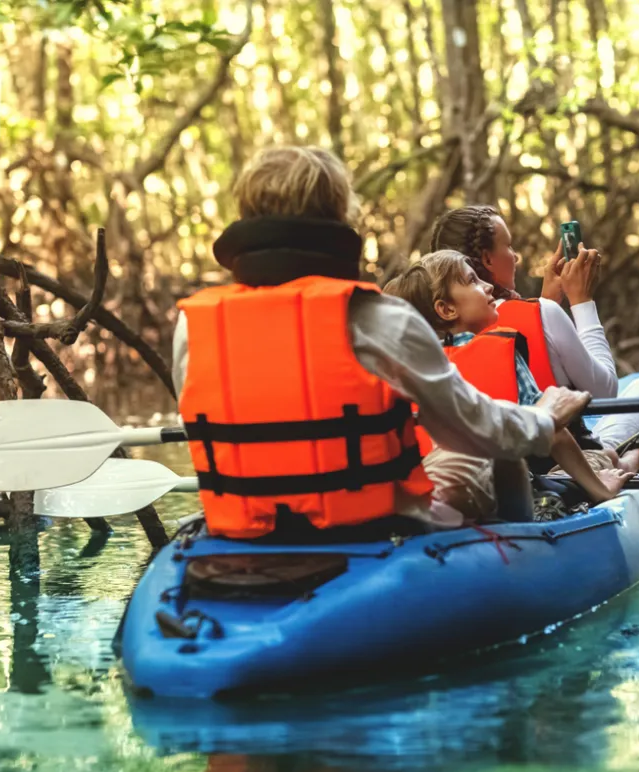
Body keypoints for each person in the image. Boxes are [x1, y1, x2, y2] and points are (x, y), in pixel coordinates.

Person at [170, 146, 591, 539]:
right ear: (339, 217)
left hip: (244, 531)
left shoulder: (193, 326)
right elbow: (478, 429)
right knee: (497, 450)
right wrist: (544, 417)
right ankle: (526, 548)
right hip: (370, 528)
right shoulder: (377, 318)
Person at [428, 205, 639, 475]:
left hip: (490, 464)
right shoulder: (542, 313)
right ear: (487, 259)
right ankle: (627, 460)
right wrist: (582, 300)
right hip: (558, 459)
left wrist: (546, 303)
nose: (516, 256)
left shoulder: (436, 333)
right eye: (508, 246)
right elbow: (606, 392)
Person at [383, 251, 635, 507]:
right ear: (446, 309)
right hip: (518, 494)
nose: (488, 285)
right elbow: (554, 434)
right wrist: (600, 490)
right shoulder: (498, 349)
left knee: (603, 457)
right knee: (606, 455)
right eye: (473, 281)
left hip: (442, 495)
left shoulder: (410, 370)